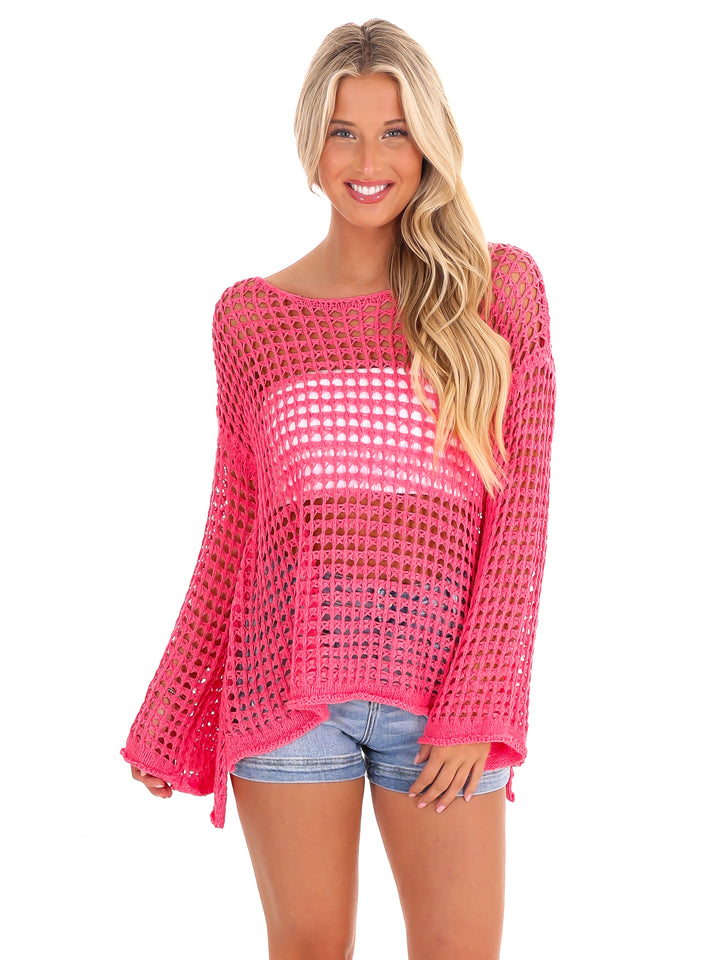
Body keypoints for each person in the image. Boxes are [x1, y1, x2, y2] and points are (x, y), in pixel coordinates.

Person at [121, 18, 556, 960]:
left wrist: (480, 699)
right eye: (343, 132)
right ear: (310, 143)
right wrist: (169, 703)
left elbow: (521, 522)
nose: (367, 161)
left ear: (429, 141)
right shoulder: (251, 318)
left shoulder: (498, 293)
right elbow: (235, 531)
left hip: (442, 694)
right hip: (284, 692)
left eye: (394, 131)